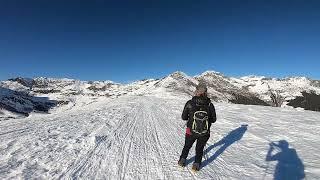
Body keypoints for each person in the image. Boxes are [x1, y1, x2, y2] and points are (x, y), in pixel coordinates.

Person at [178, 83, 217, 171]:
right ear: (205, 92)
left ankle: (182, 160)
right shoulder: (210, 105)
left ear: (196, 92)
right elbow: (214, 120)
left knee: (187, 146)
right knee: (199, 148)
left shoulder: (189, 103)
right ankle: (196, 164)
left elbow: (184, 117)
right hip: (204, 132)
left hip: (190, 130)